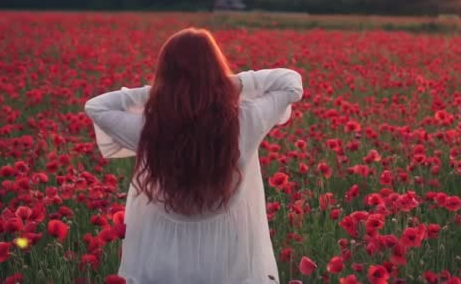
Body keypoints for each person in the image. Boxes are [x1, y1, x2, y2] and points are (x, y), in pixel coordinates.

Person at [84, 28, 303, 284]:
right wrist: (224, 84)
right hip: (229, 253)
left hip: (161, 250)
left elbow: (96, 106)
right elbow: (291, 83)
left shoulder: (149, 128)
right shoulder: (246, 119)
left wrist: (161, 92)